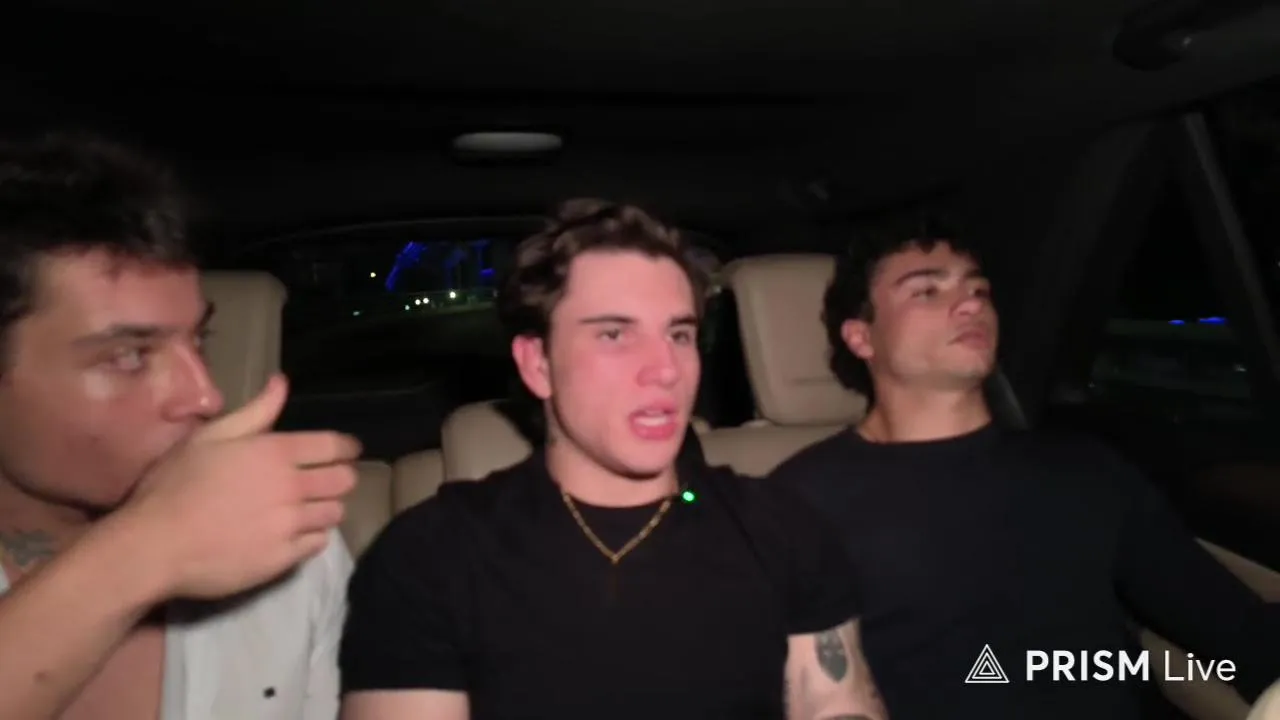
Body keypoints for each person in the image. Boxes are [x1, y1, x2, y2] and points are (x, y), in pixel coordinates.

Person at [338, 199, 887, 720]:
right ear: (538, 365)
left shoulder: (782, 528)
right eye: (615, 334)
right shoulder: (432, 555)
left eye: (680, 334)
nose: (666, 369)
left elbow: (834, 700)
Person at [769, 208, 1280, 719]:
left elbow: (1235, 630)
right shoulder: (798, 503)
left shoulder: (1086, 472)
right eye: (927, 291)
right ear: (861, 337)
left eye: (978, 289)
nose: (971, 303)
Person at [0, 133, 361, 719]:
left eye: (199, 339)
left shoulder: (290, 547)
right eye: (128, 357)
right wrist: (143, 553)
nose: (206, 396)